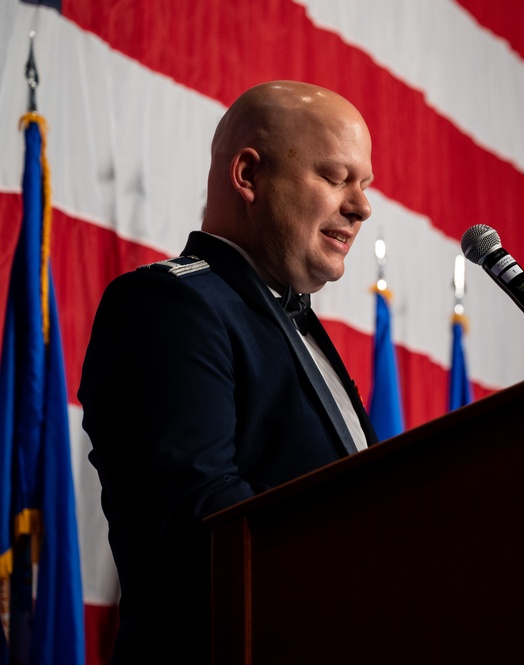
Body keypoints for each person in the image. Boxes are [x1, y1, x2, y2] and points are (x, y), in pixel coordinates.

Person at [78, 81, 380, 663]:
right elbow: (204, 523)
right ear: (248, 175)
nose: (362, 206)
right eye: (337, 177)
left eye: (364, 186)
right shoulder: (168, 306)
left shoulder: (291, 320)